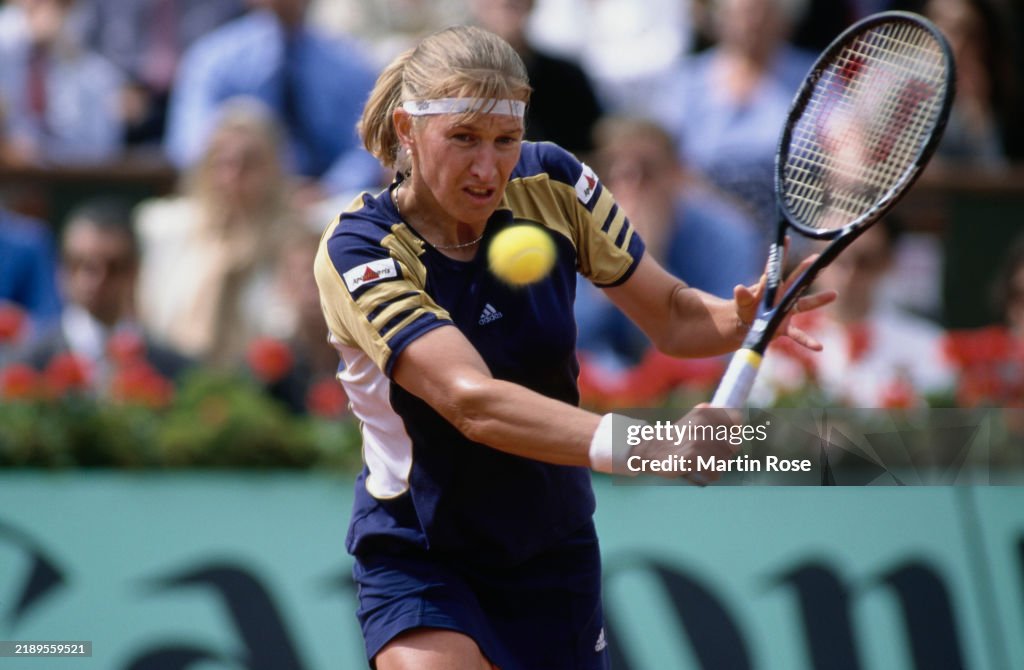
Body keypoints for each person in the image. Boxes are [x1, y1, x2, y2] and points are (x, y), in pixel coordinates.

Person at [313, 25, 833, 669]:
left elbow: (672, 315)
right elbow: (471, 403)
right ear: (407, 130)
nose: (487, 166)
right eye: (464, 138)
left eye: (505, 140)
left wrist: (741, 317)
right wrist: (652, 447)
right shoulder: (359, 249)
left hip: (551, 553)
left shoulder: (554, 181)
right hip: (422, 553)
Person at [575, 116, 762, 369]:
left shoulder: (727, 234)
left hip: (691, 385)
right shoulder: (579, 230)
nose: (630, 187)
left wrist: (649, 260)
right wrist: (612, 270)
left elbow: (729, 341)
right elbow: (575, 339)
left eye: (647, 171)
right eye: (613, 172)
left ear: (677, 174)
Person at [163, 0, 382, 199]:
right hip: (238, 199)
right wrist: (247, 177)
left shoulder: (349, 62)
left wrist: (331, 188)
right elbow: (188, 145)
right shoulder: (211, 60)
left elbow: (368, 146)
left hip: (323, 203)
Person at [136, 97, 297, 366]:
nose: (232, 177)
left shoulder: (295, 239)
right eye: (222, 163)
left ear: (273, 170)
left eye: (249, 164)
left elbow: (288, 332)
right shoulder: (165, 229)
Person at [650, 0, 816, 240]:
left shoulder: (814, 74)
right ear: (720, 18)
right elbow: (665, 160)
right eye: (743, 13)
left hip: (794, 233)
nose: (753, 23)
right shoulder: (685, 82)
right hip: (707, 232)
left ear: (784, 20)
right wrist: (734, 218)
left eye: (763, 13)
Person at [753, 218, 955, 407]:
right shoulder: (775, 340)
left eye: (864, 261)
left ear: (887, 262)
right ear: (811, 258)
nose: (848, 275)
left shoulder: (927, 344)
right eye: (834, 258)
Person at [21, 197, 191, 390]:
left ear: (134, 270)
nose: (94, 279)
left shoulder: (173, 370)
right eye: (78, 263)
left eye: (112, 267)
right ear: (60, 267)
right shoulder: (27, 365)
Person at [71, 0, 246, 146]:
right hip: (126, 97)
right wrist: (114, 87)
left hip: (193, 97)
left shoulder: (225, 5)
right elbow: (83, 47)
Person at [468, 0, 604, 157]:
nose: (504, 12)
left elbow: (587, 149)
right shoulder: (455, 76)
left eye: (512, 5)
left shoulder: (566, 77)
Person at [0, 0, 124, 165]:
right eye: (38, 4)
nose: (48, 12)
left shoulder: (96, 75)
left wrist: (43, 153)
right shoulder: (5, 48)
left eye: (60, 5)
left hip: (66, 176)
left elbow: (102, 148)